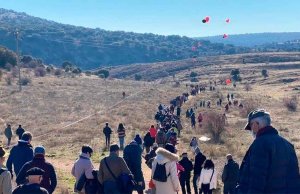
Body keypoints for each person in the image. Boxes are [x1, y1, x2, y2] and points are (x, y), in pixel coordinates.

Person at [237, 109, 300, 193]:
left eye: (251, 125)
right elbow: (294, 179)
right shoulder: (288, 145)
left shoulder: (259, 144)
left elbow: (256, 181)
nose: (251, 130)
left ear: (256, 124)